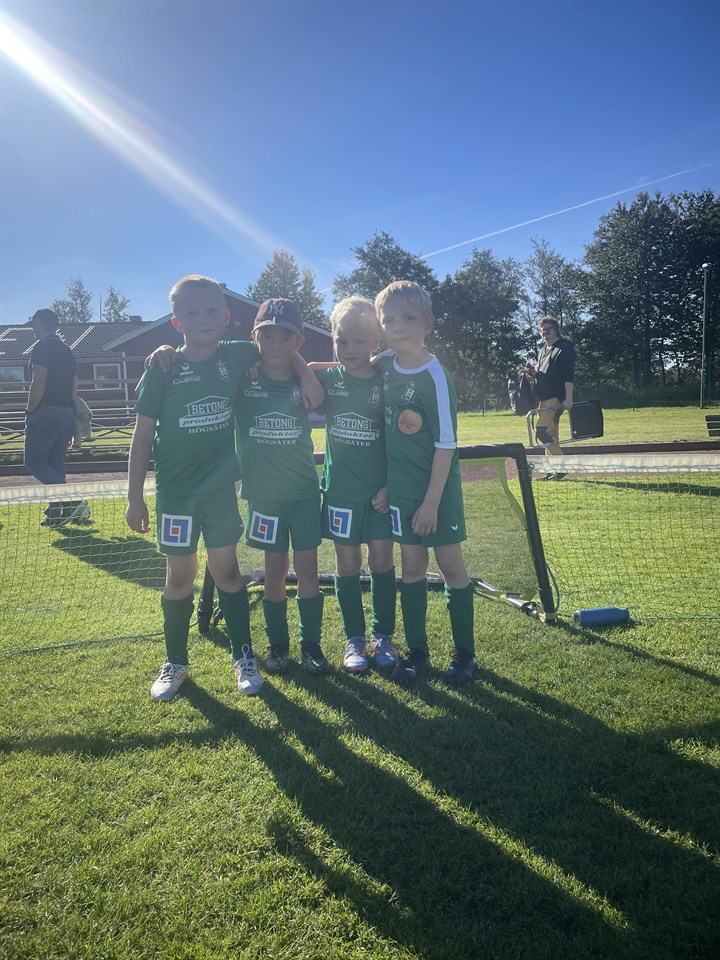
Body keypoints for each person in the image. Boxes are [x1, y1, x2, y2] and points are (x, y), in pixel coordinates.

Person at [126, 275, 263, 701]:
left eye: (211, 311)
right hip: (175, 495)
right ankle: (176, 662)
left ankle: (244, 657)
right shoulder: (162, 368)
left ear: (226, 316)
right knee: (180, 576)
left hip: (220, 491)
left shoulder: (237, 355)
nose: (203, 319)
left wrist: (305, 374)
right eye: (192, 313)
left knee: (228, 572)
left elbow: (281, 347)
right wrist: (134, 498)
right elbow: (141, 438)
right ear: (177, 322)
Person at [373, 281, 475, 687]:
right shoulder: (384, 364)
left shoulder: (435, 376)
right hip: (401, 493)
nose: (398, 326)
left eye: (408, 318)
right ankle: (417, 651)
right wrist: (302, 368)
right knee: (413, 566)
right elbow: (348, 364)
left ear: (428, 324)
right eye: (388, 320)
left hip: (437, 494)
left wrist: (431, 503)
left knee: (450, 567)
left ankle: (464, 654)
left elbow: (446, 444)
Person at [233, 298, 328, 677]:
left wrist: (305, 371)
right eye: (267, 335)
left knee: (308, 569)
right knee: (273, 570)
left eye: (285, 337)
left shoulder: (306, 380)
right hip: (264, 497)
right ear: (254, 337)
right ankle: (278, 645)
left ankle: (311, 645)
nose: (275, 344)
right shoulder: (243, 377)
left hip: (303, 492)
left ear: (298, 341)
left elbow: (342, 371)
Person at [309, 296, 398, 674]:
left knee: (381, 561)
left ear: (376, 341)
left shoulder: (387, 380)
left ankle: (383, 636)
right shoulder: (329, 380)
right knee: (347, 564)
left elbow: (399, 440)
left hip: (379, 494)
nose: (349, 349)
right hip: (340, 493)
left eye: (359, 341)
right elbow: (303, 366)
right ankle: (354, 639)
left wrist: (391, 485)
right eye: (341, 341)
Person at [24, 308, 90, 526]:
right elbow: (74, 384)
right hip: (66, 412)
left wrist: (30, 410)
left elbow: (38, 381)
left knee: (34, 462)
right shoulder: (67, 350)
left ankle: (73, 501)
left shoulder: (41, 348)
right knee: (54, 465)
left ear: (39, 323)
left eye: (33, 325)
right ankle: (55, 515)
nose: (33, 329)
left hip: (45, 412)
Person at [534, 315, 575, 477]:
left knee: (541, 431)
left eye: (548, 329)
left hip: (555, 397)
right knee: (551, 434)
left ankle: (562, 466)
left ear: (556, 330)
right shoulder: (542, 351)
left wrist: (569, 398)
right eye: (542, 330)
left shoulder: (563, 348)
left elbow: (568, 376)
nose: (545, 332)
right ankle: (553, 470)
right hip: (542, 398)